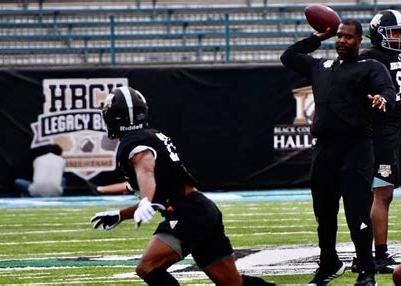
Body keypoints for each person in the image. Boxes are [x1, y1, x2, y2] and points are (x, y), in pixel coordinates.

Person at [90, 86, 273, 286]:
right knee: (232, 283)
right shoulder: (150, 135)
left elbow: (146, 169)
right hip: (200, 209)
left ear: (114, 118)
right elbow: (158, 194)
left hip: (187, 214)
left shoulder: (134, 142)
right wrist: (121, 214)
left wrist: (146, 200)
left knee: (148, 267)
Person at [280, 19, 396, 286]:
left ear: (360, 40)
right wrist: (317, 36)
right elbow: (289, 56)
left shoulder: (371, 66)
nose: (342, 41)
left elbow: (387, 90)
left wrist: (384, 99)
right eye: (339, 36)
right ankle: (329, 264)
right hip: (324, 150)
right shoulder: (321, 66)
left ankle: (366, 271)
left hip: (355, 149)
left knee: (357, 213)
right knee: (324, 212)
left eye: (349, 37)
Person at [353, 9, 401, 274]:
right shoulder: (371, 58)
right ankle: (377, 255)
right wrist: (393, 106)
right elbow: (364, 95)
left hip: (385, 134)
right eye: (393, 33)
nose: (398, 38)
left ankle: (365, 255)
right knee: (382, 193)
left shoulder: (388, 57)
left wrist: (399, 105)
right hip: (379, 136)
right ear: (377, 34)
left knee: (376, 194)